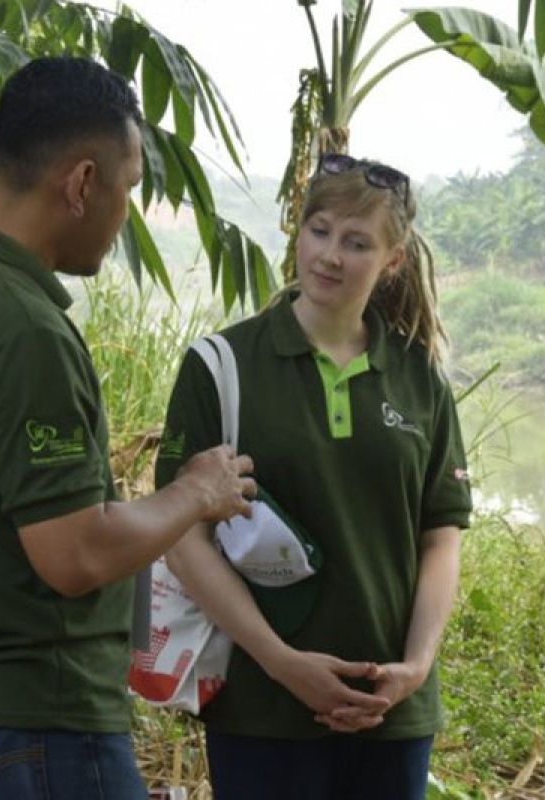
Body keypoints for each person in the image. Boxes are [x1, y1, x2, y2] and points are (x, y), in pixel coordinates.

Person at [0, 57, 255, 798]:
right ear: (81, 183)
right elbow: (73, 553)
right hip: (25, 731)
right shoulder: (23, 328)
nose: (125, 214)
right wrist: (196, 493)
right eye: (129, 189)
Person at [154, 153, 473, 799]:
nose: (331, 255)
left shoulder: (420, 380)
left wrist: (414, 668)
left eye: (357, 243)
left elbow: (440, 535)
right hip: (261, 707)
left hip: (391, 712)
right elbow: (178, 533)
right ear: (296, 234)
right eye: (319, 230)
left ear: (392, 262)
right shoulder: (220, 366)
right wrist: (281, 663)